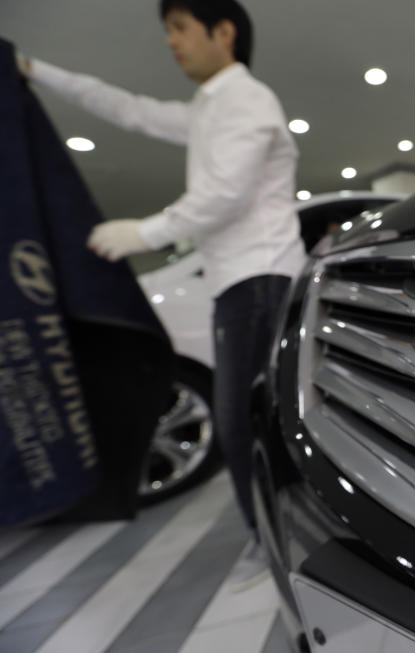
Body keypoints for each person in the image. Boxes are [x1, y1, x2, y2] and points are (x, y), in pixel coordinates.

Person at [17, 0, 307, 590]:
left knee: (241, 424)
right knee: (247, 423)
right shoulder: (210, 107)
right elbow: (129, 110)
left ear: (222, 31)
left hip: (260, 278)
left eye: (180, 28)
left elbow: (224, 194)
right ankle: (278, 537)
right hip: (241, 283)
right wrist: (37, 71)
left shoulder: (246, 100)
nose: (171, 42)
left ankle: (275, 545)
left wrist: (141, 234)